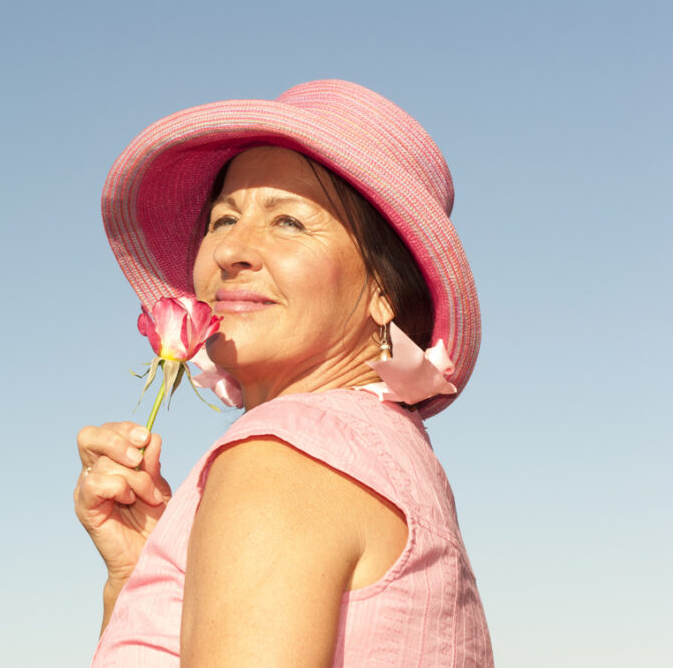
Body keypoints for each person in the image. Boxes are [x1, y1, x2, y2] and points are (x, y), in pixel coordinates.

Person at [74, 80, 493, 667]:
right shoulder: (374, 449)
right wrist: (138, 574)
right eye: (222, 221)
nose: (230, 252)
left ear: (382, 290)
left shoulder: (284, 453)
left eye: (289, 223)